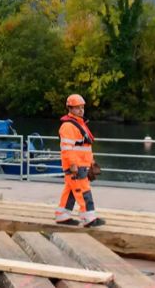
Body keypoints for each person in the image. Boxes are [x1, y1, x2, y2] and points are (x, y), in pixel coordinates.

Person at [54, 94, 105, 227]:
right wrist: (72, 165)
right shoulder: (68, 126)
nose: (81, 110)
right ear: (70, 108)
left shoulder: (79, 124)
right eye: (77, 108)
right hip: (75, 166)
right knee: (84, 191)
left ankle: (62, 216)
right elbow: (67, 149)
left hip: (82, 165)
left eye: (82, 107)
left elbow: (85, 147)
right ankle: (89, 218)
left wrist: (92, 162)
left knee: (71, 190)